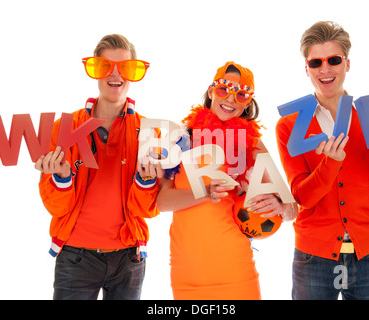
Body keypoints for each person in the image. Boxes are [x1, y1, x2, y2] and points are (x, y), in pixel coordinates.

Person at [275, 21, 369, 300]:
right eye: (316, 62)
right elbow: (302, 196)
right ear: (307, 69)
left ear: (347, 64)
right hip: (313, 256)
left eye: (334, 60)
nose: (325, 69)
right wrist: (330, 163)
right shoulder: (290, 125)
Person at [35, 34, 162, 300]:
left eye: (125, 67)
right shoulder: (65, 128)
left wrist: (145, 182)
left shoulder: (148, 131)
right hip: (76, 260)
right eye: (105, 66)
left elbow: (147, 210)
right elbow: (56, 207)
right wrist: (62, 177)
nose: (115, 74)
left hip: (129, 261)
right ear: (95, 71)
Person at [156, 61, 297, 299]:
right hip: (187, 274)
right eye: (224, 90)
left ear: (248, 103)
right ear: (211, 92)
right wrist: (205, 191)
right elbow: (162, 202)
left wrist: (282, 206)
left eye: (241, 95)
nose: (230, 100)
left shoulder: (250, 143)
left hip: (235, 272)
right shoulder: (181, 138)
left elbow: (292, 209)